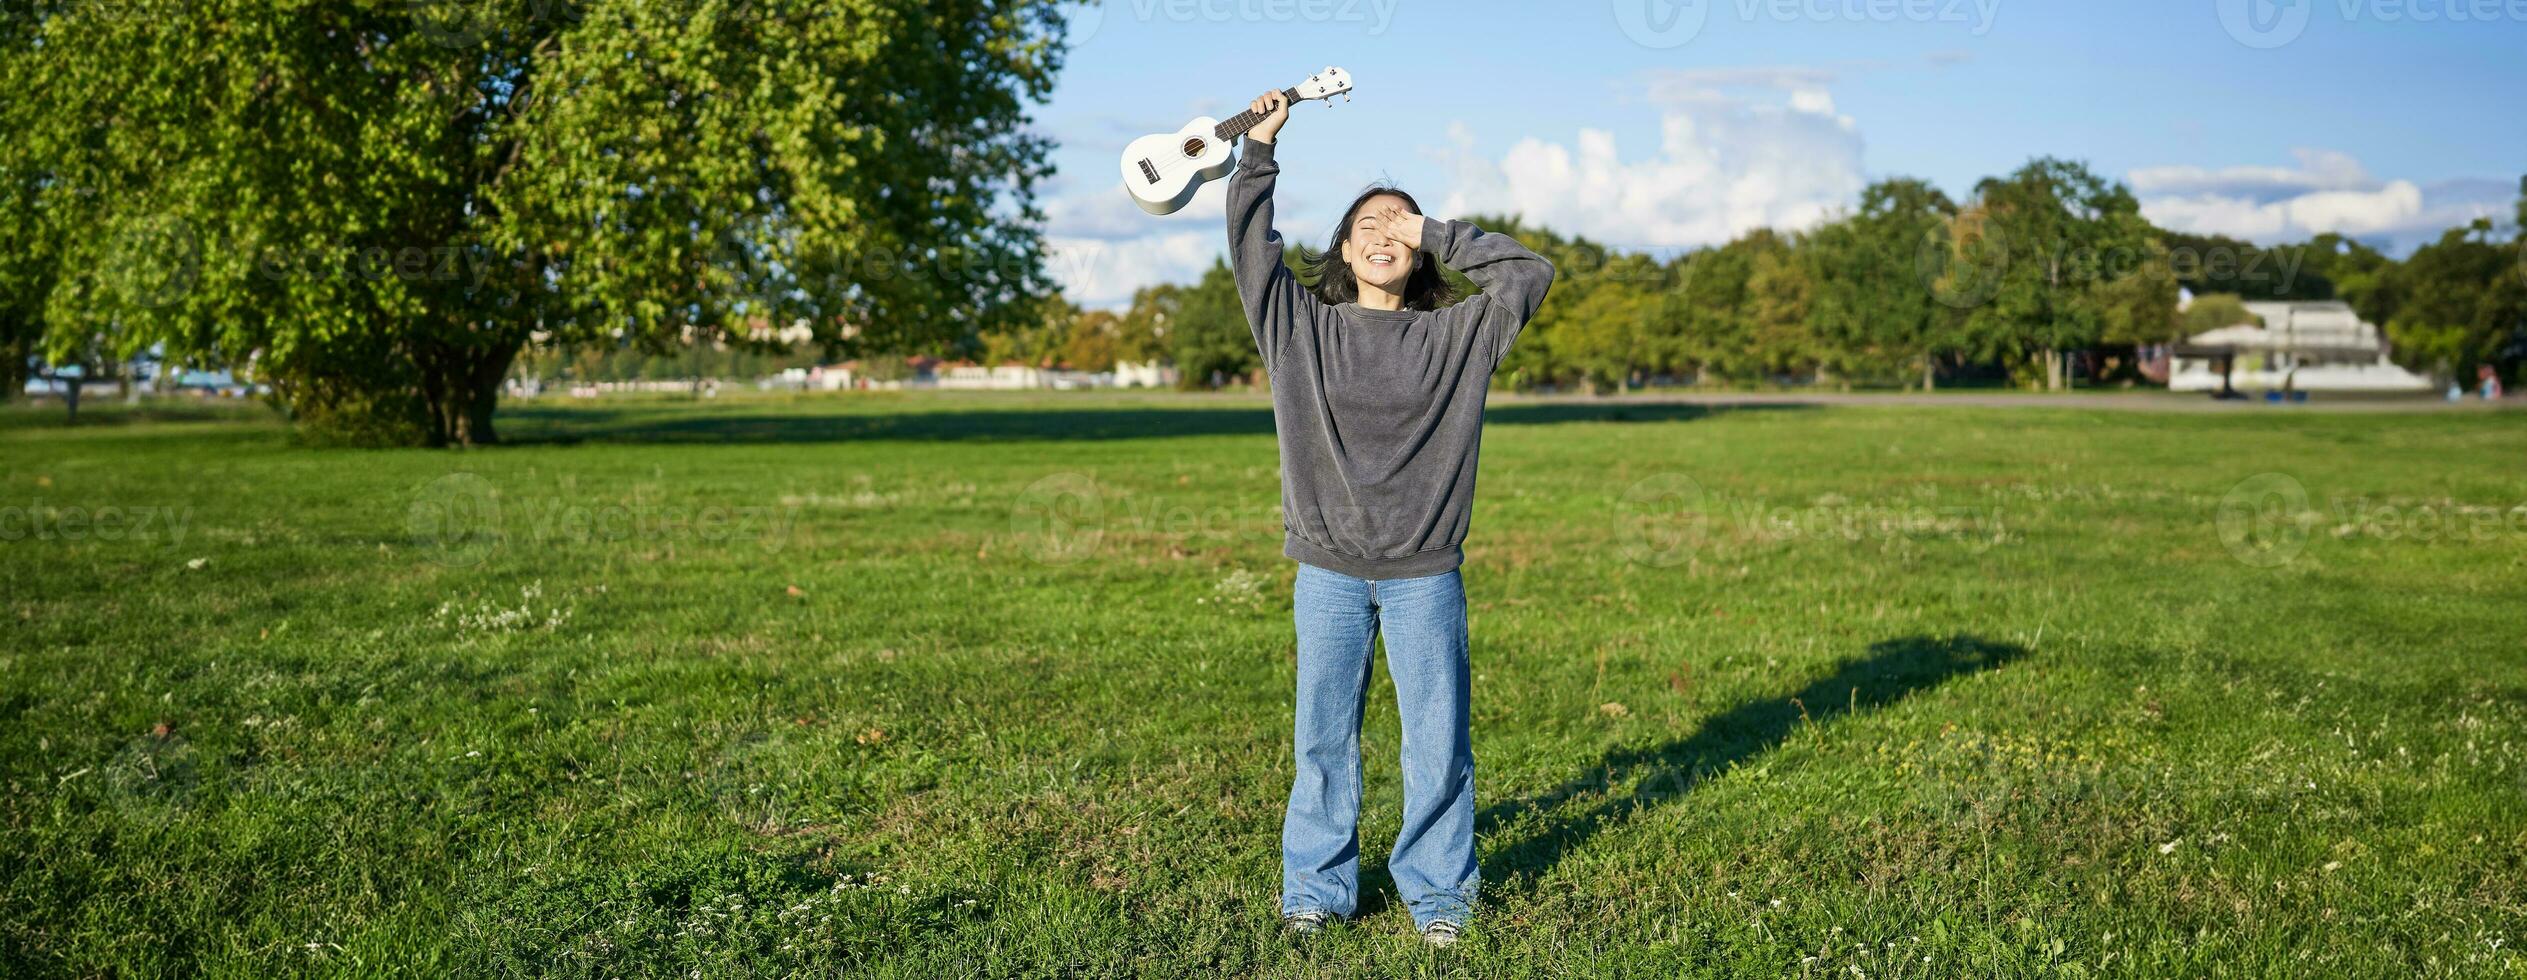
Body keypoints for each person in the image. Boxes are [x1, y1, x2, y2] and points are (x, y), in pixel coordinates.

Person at [1226, 89, 1554, 948]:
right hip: (1327, 569)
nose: (1385, 232)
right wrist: (1257, 151)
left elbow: (1529, 274)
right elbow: (1250, 249)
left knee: (1435, 747)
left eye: (1401, 225)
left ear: (1420, 251)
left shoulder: (1461, 337)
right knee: (1322, 742)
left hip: (1423, 574)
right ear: (1341, 247)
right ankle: (1314, 892)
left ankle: (1439, 900)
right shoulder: (1299, 328)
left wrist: (1431, 227)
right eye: (1368, 222)